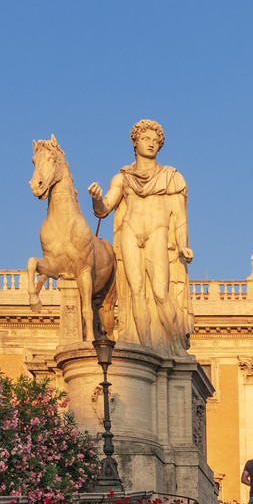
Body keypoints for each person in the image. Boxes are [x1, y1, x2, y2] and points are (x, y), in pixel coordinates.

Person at [89, 119, 194, 358]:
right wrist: (95, 198)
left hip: (157, 233)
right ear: (135, 142)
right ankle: (145, 351)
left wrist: (183, 244)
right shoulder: (124, 177)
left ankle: (175, 345)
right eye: (146, 139)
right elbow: (104, 208)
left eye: (156, 141)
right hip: (130, 232)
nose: (151, 144)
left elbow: (179, 217)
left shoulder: (171, 177)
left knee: (159, 292)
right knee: (136, 292)